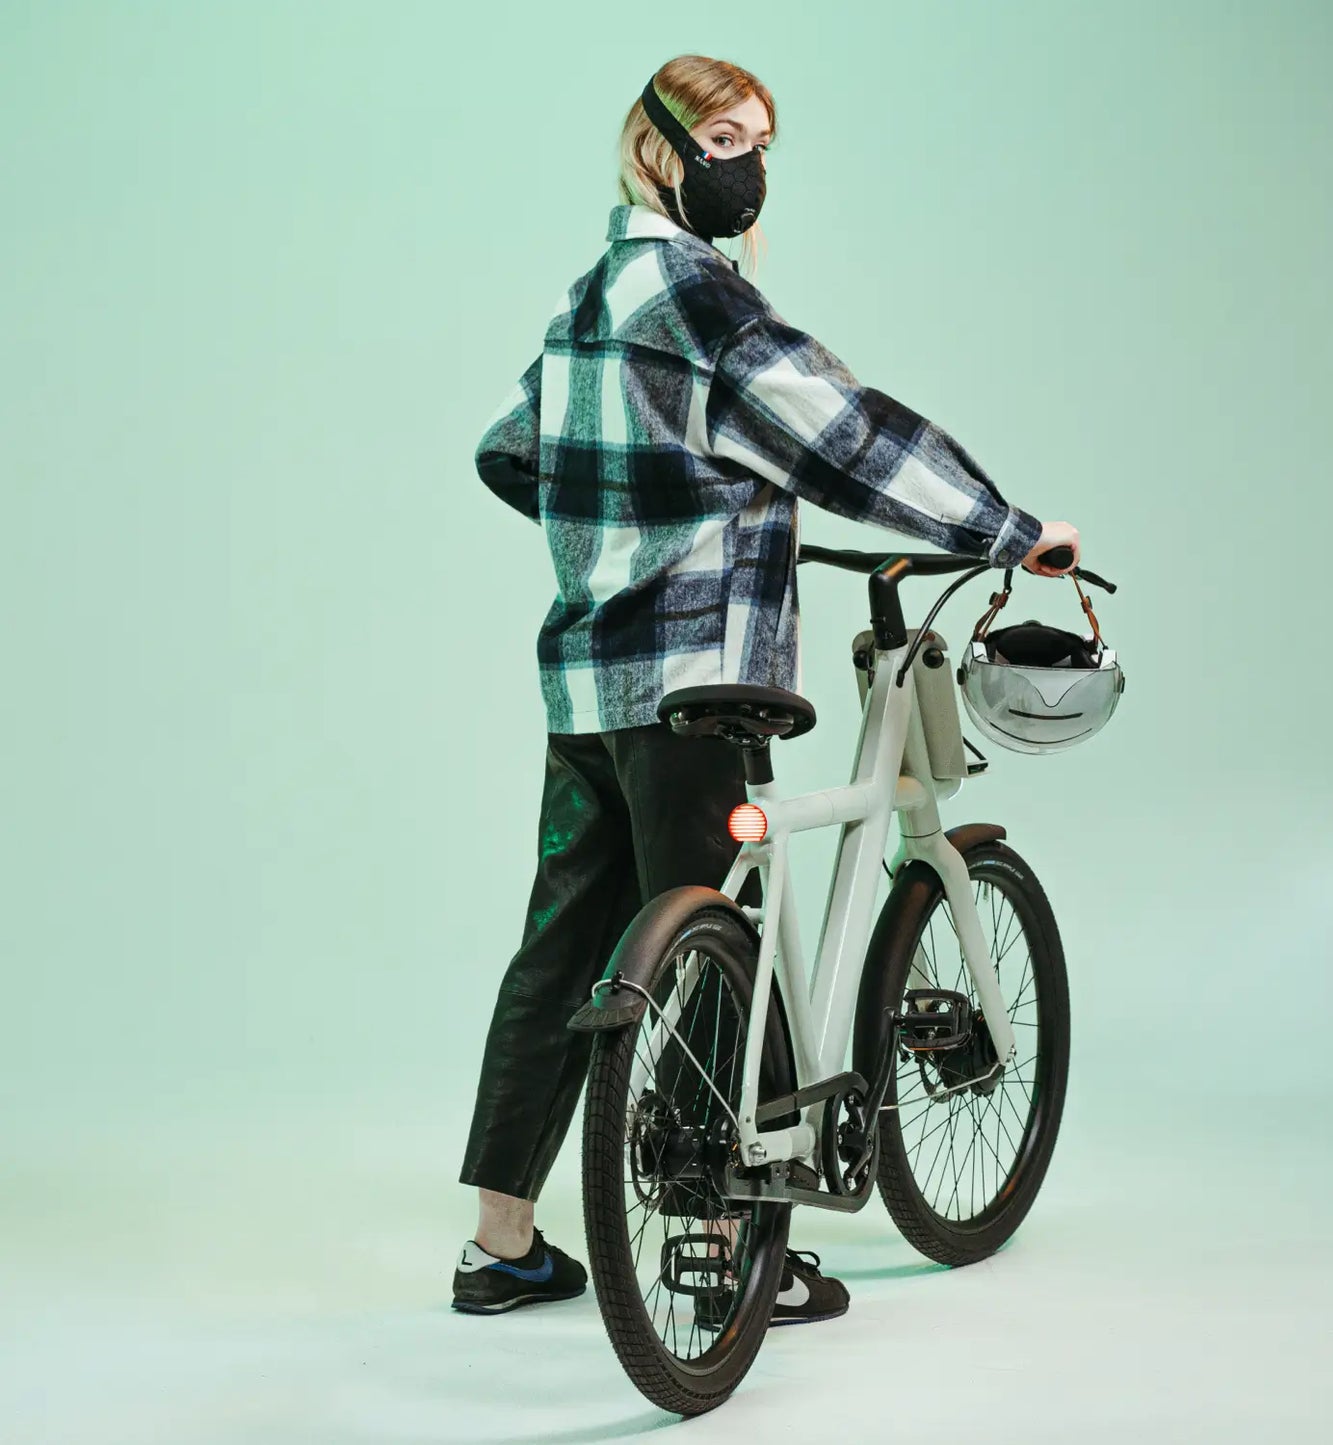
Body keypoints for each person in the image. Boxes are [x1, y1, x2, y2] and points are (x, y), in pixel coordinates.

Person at [453, 52, 1080, 1324]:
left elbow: (511, 450)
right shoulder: (701, 304)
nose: (747, 164)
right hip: (695, 679)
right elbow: (847, 437)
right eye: (725, 137)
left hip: (585, 677)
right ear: (657, 154)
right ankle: (730, 1248)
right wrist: (1005, 529)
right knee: (707, 940)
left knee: (561, 947)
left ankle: (498, 1242)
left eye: (759, 141)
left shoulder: (587, 298)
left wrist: (621, 530)